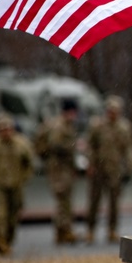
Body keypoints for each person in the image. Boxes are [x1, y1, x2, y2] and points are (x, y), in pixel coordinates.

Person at [0, 115, 35, 256]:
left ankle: (8, 241)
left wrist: (24, 178)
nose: (6, 132)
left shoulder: (22, 144)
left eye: (8, 129)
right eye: (2, 129)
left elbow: (29, 162)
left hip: (16, 183)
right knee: (0, 215)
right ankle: (1, 241)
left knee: (13, 215)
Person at [86, 95, 132, 243]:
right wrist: (90, 164)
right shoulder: (98, 126)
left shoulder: (124, 128)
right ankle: (90, 230)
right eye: (110, 110)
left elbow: (128, 149)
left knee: (114, 202)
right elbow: (91, 146)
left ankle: (112, 230)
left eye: (115, 110)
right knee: (94, 200)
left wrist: (129, 167)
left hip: (115, 169)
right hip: (99, 168)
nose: (112, 113)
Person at [34, 99, 80, 245]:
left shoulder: (64, 125)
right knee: (63, 200)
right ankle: (63, 230)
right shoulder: (60, 126)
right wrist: (73, 145)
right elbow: (56, 144)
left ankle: (64, 231)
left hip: (63, 167)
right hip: (59, 168)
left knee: (65, 199)